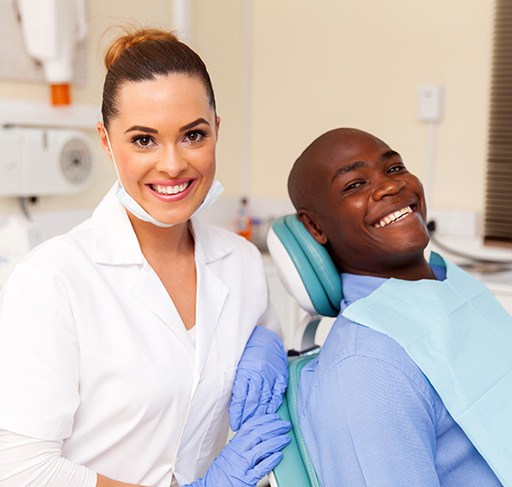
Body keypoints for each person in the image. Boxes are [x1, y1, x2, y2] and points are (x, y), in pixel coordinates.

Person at [0, 28, 291, 487]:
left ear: (217, 129)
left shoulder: (241, 263)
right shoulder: (53, 280)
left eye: (193, 135)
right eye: (143, 140)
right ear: (106, 140)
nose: (173, 165)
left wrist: (277, 351)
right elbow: (21, 470)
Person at [287, 127, 509, 486]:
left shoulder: (453, 287)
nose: (391, 186)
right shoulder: (367, 364)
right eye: (354, 185)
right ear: (315, 226)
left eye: (394, 168)